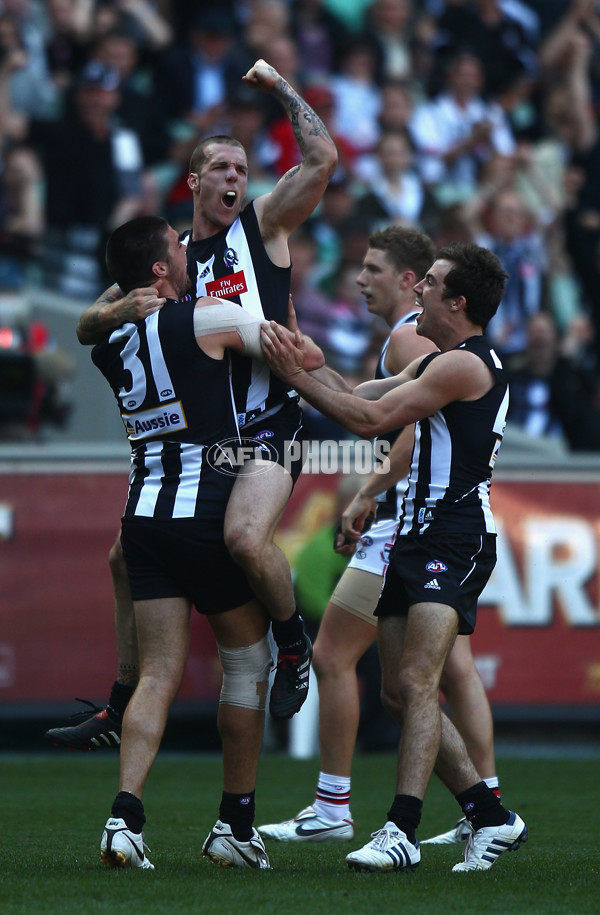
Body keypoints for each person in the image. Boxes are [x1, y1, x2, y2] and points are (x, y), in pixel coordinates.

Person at [44, 58, 338, 750]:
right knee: (125, 554)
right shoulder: (169, 256)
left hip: (267, 428)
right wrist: (109, 314)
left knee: (243, 538)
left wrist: (280, 88)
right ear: (194, 182)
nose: (236, 177)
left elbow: (321, 159)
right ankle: (119, 704)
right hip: (198, 441)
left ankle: (294, 645)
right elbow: (90, 325)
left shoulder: (262, 227)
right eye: (222, 168)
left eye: (242, 167)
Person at [260, 241, 528, 873]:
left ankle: (399, 830)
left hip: (454, 538)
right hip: (414, 537)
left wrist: (294, 378)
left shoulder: (466, 365)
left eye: (430, 284)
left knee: (418, 682)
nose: (419, 291)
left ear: (457, 302)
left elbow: (369, 419)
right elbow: (365, 392)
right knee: (397, 694)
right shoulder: (442, 362)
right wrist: (312, 366)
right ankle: (491, 817)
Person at [94, 214, 310, 871]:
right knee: (246, 669)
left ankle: (123, 818)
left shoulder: (109, 341)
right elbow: (287, 349)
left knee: (159, 673)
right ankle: (234, 826)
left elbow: (94, 326)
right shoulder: (203, 314)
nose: (186, 256)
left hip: (144, 520)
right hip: (205, 514)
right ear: (160, 270)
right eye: (175, 251)